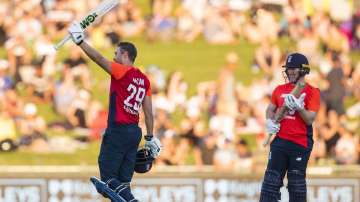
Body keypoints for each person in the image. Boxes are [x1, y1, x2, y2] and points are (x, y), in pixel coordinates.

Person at [67, 22, 162, 202]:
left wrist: (80, 42)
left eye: (116, 53)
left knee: (108, 178)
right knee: (121, 185)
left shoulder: (122, 71)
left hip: (118, 130)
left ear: (125, 54)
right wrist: (150, 137)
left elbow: (98, 59)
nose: (114, 56)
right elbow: (149, 113)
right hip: (134, 133)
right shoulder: (144, 80)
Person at [260, 53, 320, 202]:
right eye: (288, 68)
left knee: (296, 185)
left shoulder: (312, 92)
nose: (290, 71)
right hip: (280, 141)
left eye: (294, 68)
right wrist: (269, 121)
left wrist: (299, 108)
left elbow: (309, 119)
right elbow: (270, 109)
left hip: (300, 143)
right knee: (270, 184)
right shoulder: (279, 89)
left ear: (304, 70)